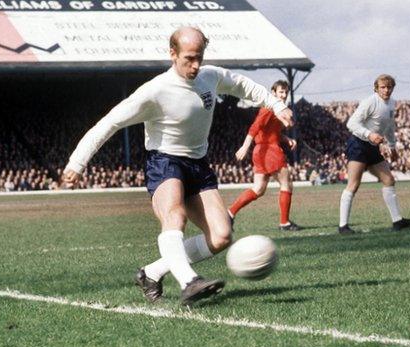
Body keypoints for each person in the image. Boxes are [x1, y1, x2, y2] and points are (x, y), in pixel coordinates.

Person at [61, 27, 293, 305]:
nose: (195, 65)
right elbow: (109, 123)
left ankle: (151, 272)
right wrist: (77, 161)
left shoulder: (210, 76)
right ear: (172, 54)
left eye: (200, 57)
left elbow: (243, 85)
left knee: (221, 236)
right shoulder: (154, 91)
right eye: (189, 58)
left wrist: (277, 106)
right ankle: (189, 282)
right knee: (175, 215)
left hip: (198, 164)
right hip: (164, 161)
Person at [338, 74, 410, 234]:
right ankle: (343, 226)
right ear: (376, 88)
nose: (386, 90)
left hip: (372, 148)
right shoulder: (370, 102)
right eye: (383, 87)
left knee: (389, 180)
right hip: (358, 145)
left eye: (389, 87)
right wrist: (370, 135)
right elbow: (351, 123)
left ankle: (397, 221)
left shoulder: (391, 104)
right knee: (353, 185)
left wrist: (393, 147)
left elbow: (389, 126)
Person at [227, 80, 301, 231]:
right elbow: (255, 127)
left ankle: (229, 213)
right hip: (269, 151)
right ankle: (284, 223)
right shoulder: (268, 108)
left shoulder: (277, 110)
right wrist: (244, 146)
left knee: (258, 189)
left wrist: (287, 139)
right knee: (286, 184)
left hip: (261, 151)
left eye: (286, 92)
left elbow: (272, 132)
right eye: (281, 92)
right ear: (273, 93)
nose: (284, 95)